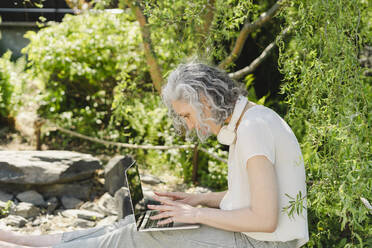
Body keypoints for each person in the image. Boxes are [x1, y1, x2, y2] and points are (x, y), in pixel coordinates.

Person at [0, 63, 308, 248]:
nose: (189, 125)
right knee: (137, 224)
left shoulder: (253, 130)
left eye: (187, 115)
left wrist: (195, 215)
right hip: (255, 238)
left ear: (205, 100)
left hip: (263, 244)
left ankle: (32, 244)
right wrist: (197, 200)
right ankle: (38, 241)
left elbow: (265, 219)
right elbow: (256, 194)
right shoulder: (252, 121)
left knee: (145, 236)